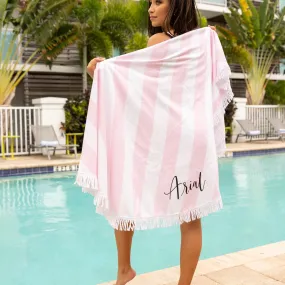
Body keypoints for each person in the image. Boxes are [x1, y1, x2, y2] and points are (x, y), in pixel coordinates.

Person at [85, 1, 219, 285]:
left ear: (177, 4)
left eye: (158, 2)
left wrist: (102, 71)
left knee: (123, 189)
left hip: (167, 136)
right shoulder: (199, 45)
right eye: (149, 2)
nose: (150, 8)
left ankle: (124, 270)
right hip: (195, 137)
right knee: (191, 216)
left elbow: (137, 84)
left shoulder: (159, 40)